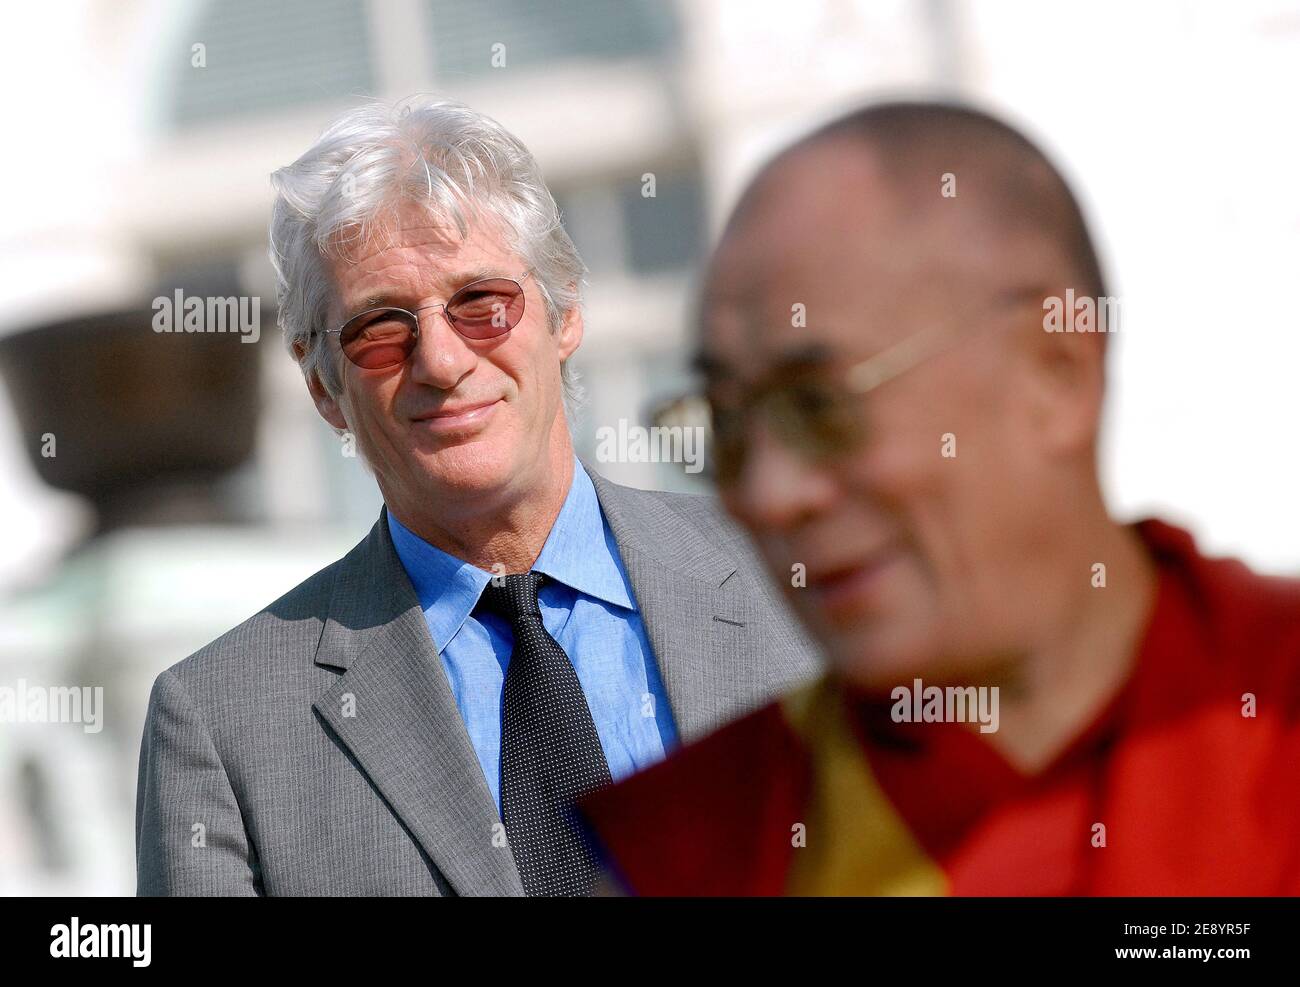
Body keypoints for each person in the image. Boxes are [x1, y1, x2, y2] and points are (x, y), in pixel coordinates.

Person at [579, 101, 1300, 895]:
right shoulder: (694, 850)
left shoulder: (1275, 706)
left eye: (819, 404)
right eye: (726, 422)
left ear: (1053, 373)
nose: (765, 493)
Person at [134, 97, 819, 896]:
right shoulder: (223, 724)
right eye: (381, 328)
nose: (442, 361)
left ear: (565, 312)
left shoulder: (796, 573)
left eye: (481, 303)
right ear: (323, 383)